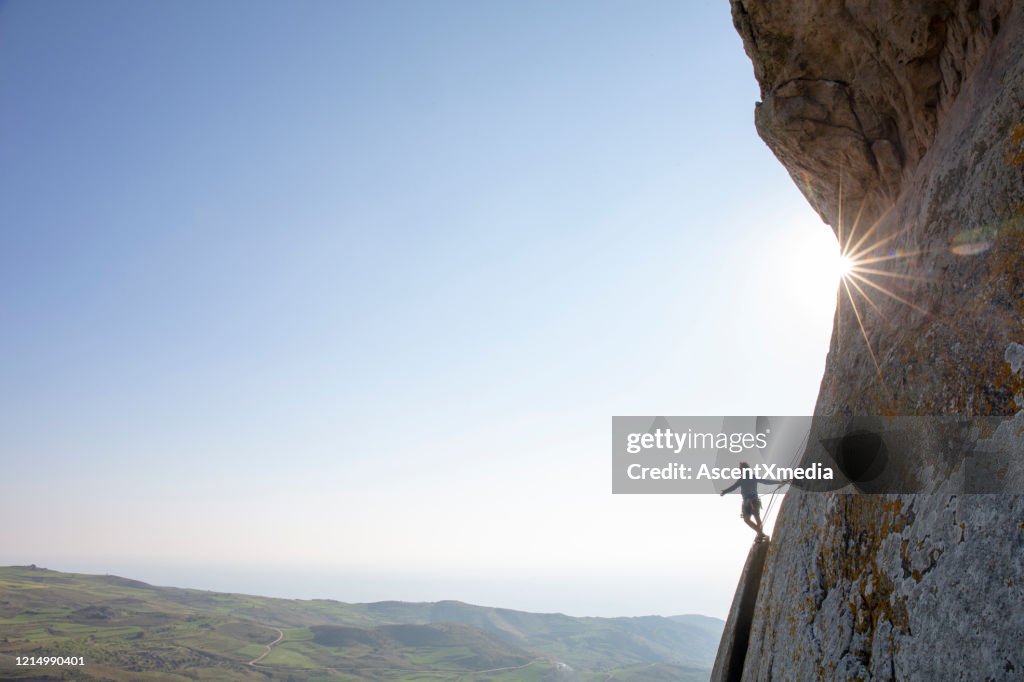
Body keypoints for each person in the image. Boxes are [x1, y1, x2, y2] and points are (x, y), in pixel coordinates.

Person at [719, 462, 786, 542]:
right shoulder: (749, 478)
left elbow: (733, 487)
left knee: (748, 519)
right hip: (752, 501)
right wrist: (779, 482)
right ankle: (760, 534)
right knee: (754, 518)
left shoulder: (743, 479)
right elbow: (765, 481)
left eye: (740, 469)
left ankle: (760, 534)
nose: (740, 471)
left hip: (749, 502)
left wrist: (725, 491)